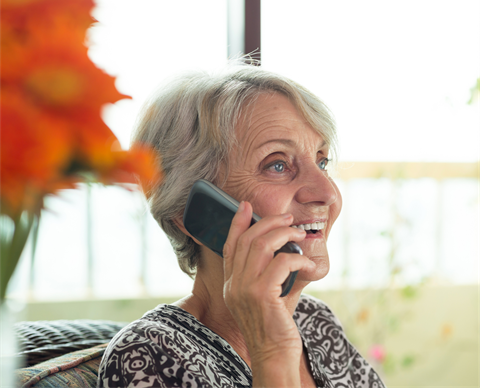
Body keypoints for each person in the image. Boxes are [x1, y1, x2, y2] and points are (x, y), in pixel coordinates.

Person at [97, 64, 385, 388]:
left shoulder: (314, 321)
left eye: (321, 161)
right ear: (194, 212)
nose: (328, 193)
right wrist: (272, 351)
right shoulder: (149, 355)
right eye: (277, 164)